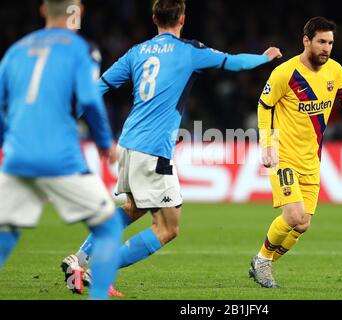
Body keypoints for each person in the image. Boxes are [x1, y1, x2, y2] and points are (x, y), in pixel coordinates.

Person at [61, 0, 282, 295]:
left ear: (154, 18)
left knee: (134, 207)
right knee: (168, 228)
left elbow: (98, 87)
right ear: (182, 18)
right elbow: (232, 62)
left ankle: (80, 258)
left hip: (127, 143)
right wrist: (264, 58)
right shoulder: (189, 51)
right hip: (153, 149)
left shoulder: (136, 52)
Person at [249, 16, 342, 288]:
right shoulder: (286, 73)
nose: (326, 48)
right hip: (283, 157)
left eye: (330, 42)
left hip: (311, 160)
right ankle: (262, 261)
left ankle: (263, 260)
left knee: (302, 225)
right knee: (293, 216)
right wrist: (267, 144)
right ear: (306, 41)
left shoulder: (335, 71)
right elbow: (264, 105)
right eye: (321, 42)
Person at [0, 0, 123, 300]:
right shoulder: (82, 49)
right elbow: (90, 100)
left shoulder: (15, 51)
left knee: (7, 232)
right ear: (77, 11)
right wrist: (105, 142)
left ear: (43, 9)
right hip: (61, 158)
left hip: (18, 158)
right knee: (108, 229)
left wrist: (9, 141)